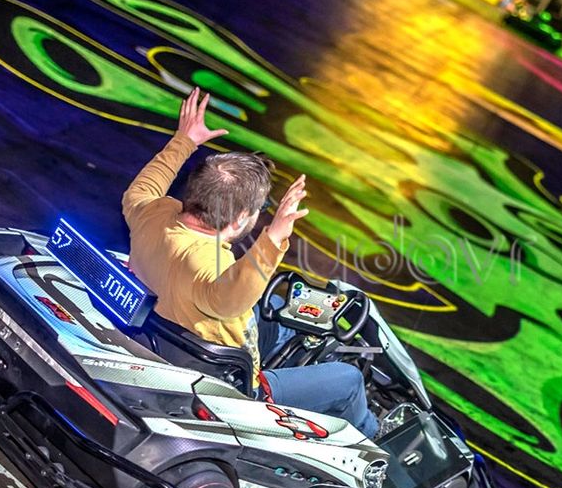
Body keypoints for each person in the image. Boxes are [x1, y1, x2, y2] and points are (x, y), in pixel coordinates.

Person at [121, 86, 379, 439]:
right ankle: (373, 440)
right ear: (242, 218)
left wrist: (185, 140)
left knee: (277, 319)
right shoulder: (210, 267)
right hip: (232, 387)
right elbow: (234, 293)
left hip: (169, 336)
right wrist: (273, 237)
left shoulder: (152, 215)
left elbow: (142, 189)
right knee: (348, 380)